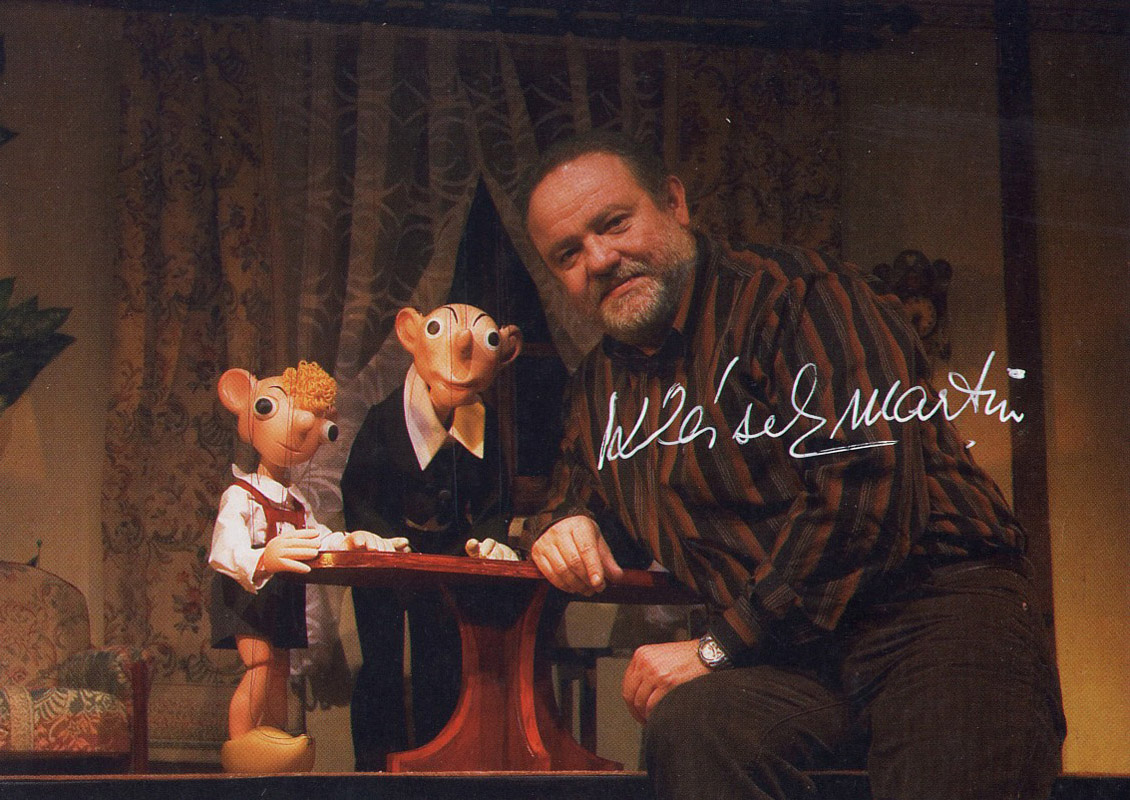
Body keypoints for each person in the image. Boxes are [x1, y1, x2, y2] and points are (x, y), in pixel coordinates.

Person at [519, 131, 1066, 800]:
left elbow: (863, 492)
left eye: (613, 223)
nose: (600, 259)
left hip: (934, 614)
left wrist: (720, 646)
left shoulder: (799, 294)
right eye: (568, 254)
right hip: (789, 661)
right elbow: (575, 497)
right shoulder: (596, 389)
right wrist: (564, 523)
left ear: (674, 203)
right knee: (694, 724)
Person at [341, 303, 521, 770]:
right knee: (380, 659)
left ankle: (437, 764)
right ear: (409, 333)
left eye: (486, 341)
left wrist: (488, 536)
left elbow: (495, 496)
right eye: (441, 331)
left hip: (448, 555)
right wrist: (376, 537)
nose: (462, 347)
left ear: (507, 351)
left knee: (442, 656)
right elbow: (359, 489)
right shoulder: (386, 418)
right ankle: (375, 766)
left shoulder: (483, 421)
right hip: (385, 557)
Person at [209, 361, 409, 744]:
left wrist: (351, 541)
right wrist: (263, 559)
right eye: (269, 408)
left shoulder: (296, 500)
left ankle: (273, 738)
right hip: (248, 592)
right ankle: (242, 742)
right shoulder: (241, 494)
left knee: (279, 668)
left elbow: (317, 537)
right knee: (259, 663)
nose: (302, 427)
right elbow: (225, 547)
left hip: (283, 592)